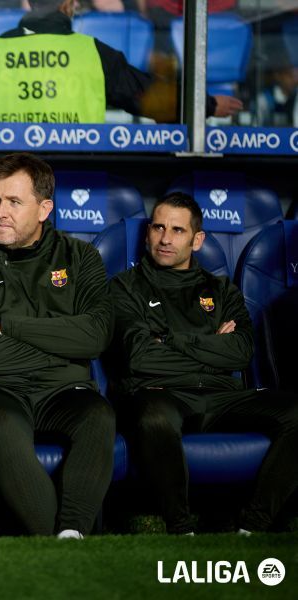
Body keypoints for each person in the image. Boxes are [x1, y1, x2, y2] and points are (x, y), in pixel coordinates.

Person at [0, 152, 115, 538]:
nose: (0, 211)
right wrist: (64, 350)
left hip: (63, 391)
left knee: (98, 417)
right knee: (3, 425)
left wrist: (9, 325)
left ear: (44, 209)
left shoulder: (80, 257)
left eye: (14, 202)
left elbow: (96, 336)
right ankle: (59, 546)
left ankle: (73, 531)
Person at [109, 192, 298, 534]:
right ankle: (181, 528)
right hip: (161, 393)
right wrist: (213, 347)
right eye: (158, 227)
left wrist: (169, 339)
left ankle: (253, 526)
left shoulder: (221, 289)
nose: (165, 239)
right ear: (148, 231)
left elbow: (240, 352)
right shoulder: (124, 288)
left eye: (178, 231)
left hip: (222, 396)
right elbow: (138, 357)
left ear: (197, 240)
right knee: (154, 417)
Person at [0, 0, 242, 123]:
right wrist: (208, 104)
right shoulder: (93, 52)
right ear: (69, 5)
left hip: (6, 181)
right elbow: (150, 96)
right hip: (75, 177)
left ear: (28, 3)